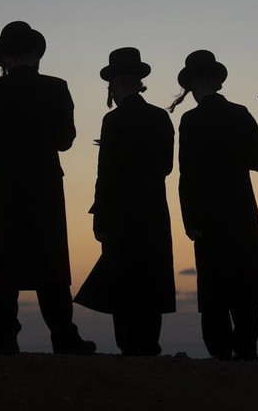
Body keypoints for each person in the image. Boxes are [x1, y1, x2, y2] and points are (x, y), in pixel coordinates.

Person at [0, 21, 95, 355]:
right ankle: (64, 336)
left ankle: (3, 337)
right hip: (44, 181)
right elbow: (66, 140)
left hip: (5, 183)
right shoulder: (56, 87)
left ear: (5, 60)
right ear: (36, 56)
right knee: (51, 258)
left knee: (4, 260)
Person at [170, 50, 258, 361]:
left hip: (207, 214)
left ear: (193, 86)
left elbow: (185, 175)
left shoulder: (190, 120)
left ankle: (219, 352)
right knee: (244, 280)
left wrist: (189, 220)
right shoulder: (241, 114)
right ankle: (247, 347)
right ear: (218, 81)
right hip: (241, 209)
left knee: (213, 284)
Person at [75, 47, 176, 356]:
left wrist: (100, 217)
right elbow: (166, 167)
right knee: (151, 274)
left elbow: (105, 175)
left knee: (123, 277)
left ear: (114, 85)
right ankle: (148, 344)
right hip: (153, 208)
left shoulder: (114, 120)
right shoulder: (160, 117)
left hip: (120, 212)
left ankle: (128, 344)